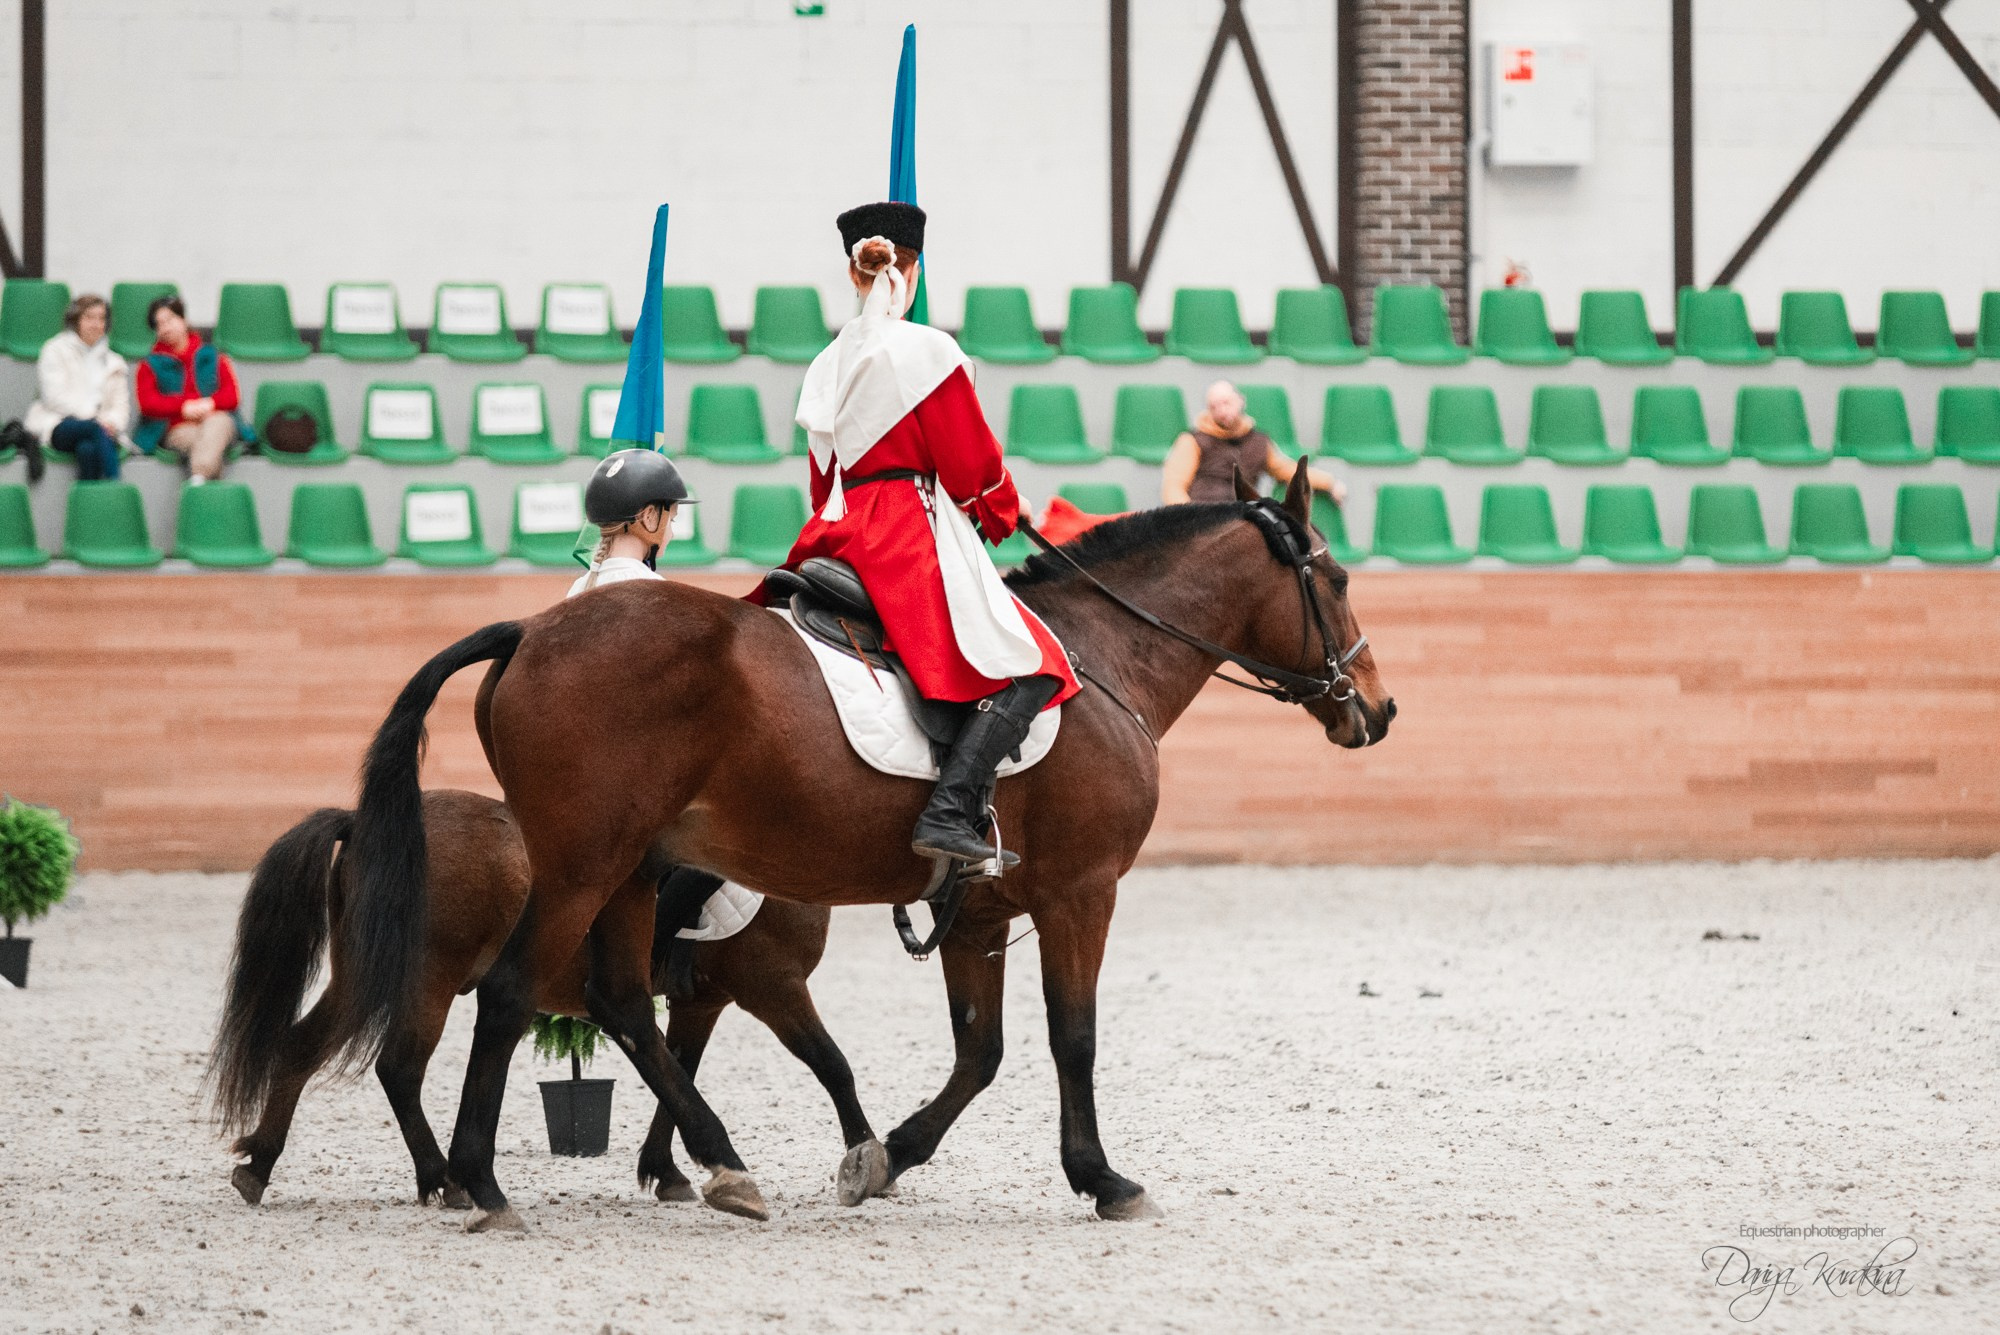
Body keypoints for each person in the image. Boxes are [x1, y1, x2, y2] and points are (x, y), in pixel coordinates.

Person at [760, 200, 1078, 869]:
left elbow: (823, 479)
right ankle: (949, 810)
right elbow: (970, 463)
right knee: (1032, 662)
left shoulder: (826, 363)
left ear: (854, 274)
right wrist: (1004, 508)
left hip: (835, 529)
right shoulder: (927, 350)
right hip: (906, 529)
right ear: (914, 270)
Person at [566, 448, 746, 978]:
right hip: (635, 785)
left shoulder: (577, 589)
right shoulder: (659, 600)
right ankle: (652, 962)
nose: (672, 526)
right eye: (669, 514)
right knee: (724, 849)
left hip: (581, 778)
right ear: (648, 517)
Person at [1161, 380, 1347, 507]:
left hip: (1243, 516)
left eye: (1226, 403)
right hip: (1204, 515)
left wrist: (1329, 482)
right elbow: (1173, 485)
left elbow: (1285, 469)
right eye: (1214, 406)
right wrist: (1189, 516)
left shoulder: (1258, 441)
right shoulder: (1192, 441)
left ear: (1240, 401)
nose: (1222, 411)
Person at [133, 294, 242, 484]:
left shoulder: (213, 356)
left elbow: (232, 395)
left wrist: (209, 404)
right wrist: (183, 407)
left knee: (219, 423)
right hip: (177, 428)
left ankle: (197, 481)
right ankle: (201, 482)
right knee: (206, 444)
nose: (165, 328)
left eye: (169, 320)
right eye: (159, 325)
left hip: (215, 420)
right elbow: (148, 403)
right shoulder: (149, 365)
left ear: (183, 319)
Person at [24, 294, 131, 481]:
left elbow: (121, 407)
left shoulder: (115, 362)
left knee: (87, 449)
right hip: (58, 423)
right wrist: (95, 419)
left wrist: (111, 423)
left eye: (101, 318)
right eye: (89, 317)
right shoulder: (54, 349)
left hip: (100, 430)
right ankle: (114, 485)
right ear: (76, 320)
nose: (96, 324)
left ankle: (88, 498)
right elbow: (54, 398)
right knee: (94, 430)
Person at [568, 446, 691, 595]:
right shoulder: (658, 591)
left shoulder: (578, 588)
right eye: (671, 521)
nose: (672, 535)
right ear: (649, 517)